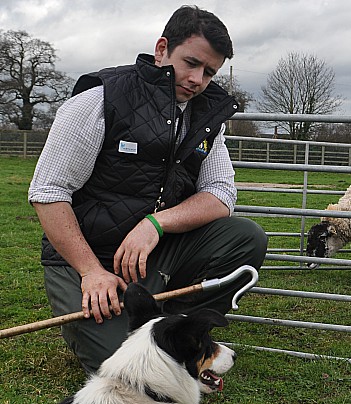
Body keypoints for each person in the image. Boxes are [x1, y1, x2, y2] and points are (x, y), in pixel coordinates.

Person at [28, 5, 268, 374]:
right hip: (88, 258)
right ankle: (114, 327)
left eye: (209, 72)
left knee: (244, 236)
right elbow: (48, 192)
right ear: (161, 50)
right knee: (124, 370)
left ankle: (178, 328)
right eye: (190, 63)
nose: (197, 79)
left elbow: (221, 194)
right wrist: (91, 272)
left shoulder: (206, 117)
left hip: (152, 252)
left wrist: (154, 224)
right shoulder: (99, 100)